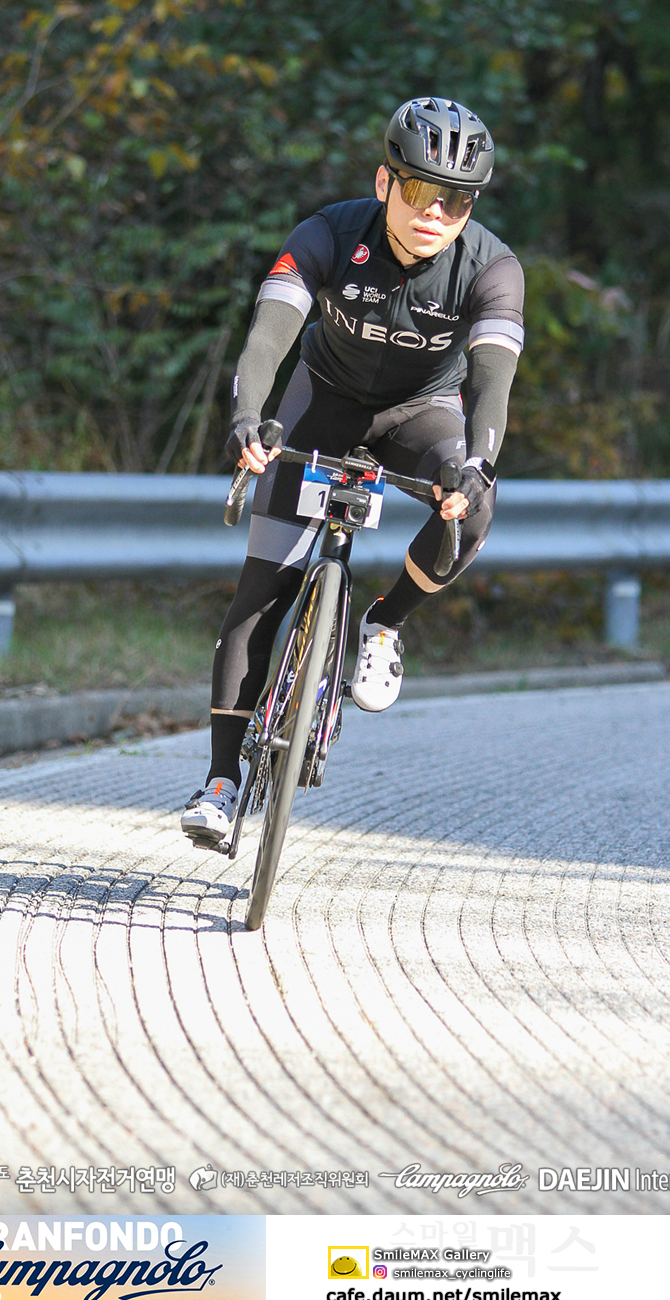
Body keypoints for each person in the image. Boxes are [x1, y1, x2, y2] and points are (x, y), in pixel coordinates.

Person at [181, 96, 525, 851]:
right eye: (420, 190)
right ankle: (220, 782)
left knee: (476, 507)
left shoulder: (492, 268)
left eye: (457, 199)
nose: (436, 212)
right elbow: (269, 336)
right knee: (262, 588)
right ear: (383, 182)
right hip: (322, 402)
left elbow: (492, 383)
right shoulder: (328, 234)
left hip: (421, 413)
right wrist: (248, 417)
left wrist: (477, 465)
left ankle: (385, 622)